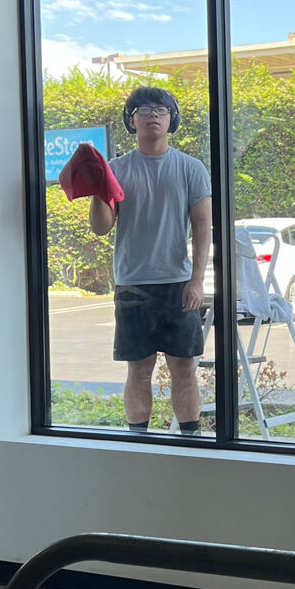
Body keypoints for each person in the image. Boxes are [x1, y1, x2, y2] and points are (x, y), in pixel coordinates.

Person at [89, 86, 212, 434]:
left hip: (179, 283)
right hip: (133, 283)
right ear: (132, 121)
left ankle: (190, 440)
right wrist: (98, 188)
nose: (153, 115)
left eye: (161, 109)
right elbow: (101, 227)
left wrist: (197, 280)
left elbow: (203, 227)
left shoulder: (191, 168)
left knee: (184, 368)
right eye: (143, 110)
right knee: (139, 369)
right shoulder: (115, 170)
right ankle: (138, 441)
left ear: (172, 119)